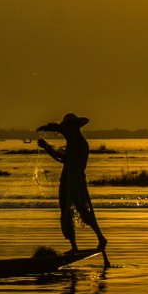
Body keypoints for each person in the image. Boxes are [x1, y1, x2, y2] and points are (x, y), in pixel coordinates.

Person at [37, 112, 108, 264]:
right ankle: (75, 246)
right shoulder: (72, 141)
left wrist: (49, 127)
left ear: (75, 127)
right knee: (65, 212)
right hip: (67, 180)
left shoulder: (79, 141)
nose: (67, 129)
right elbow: (62, 159)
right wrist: (47, 147)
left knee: (83, 211)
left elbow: (64, 133)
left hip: (76, 182)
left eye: (69, 126)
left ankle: (101, 238)